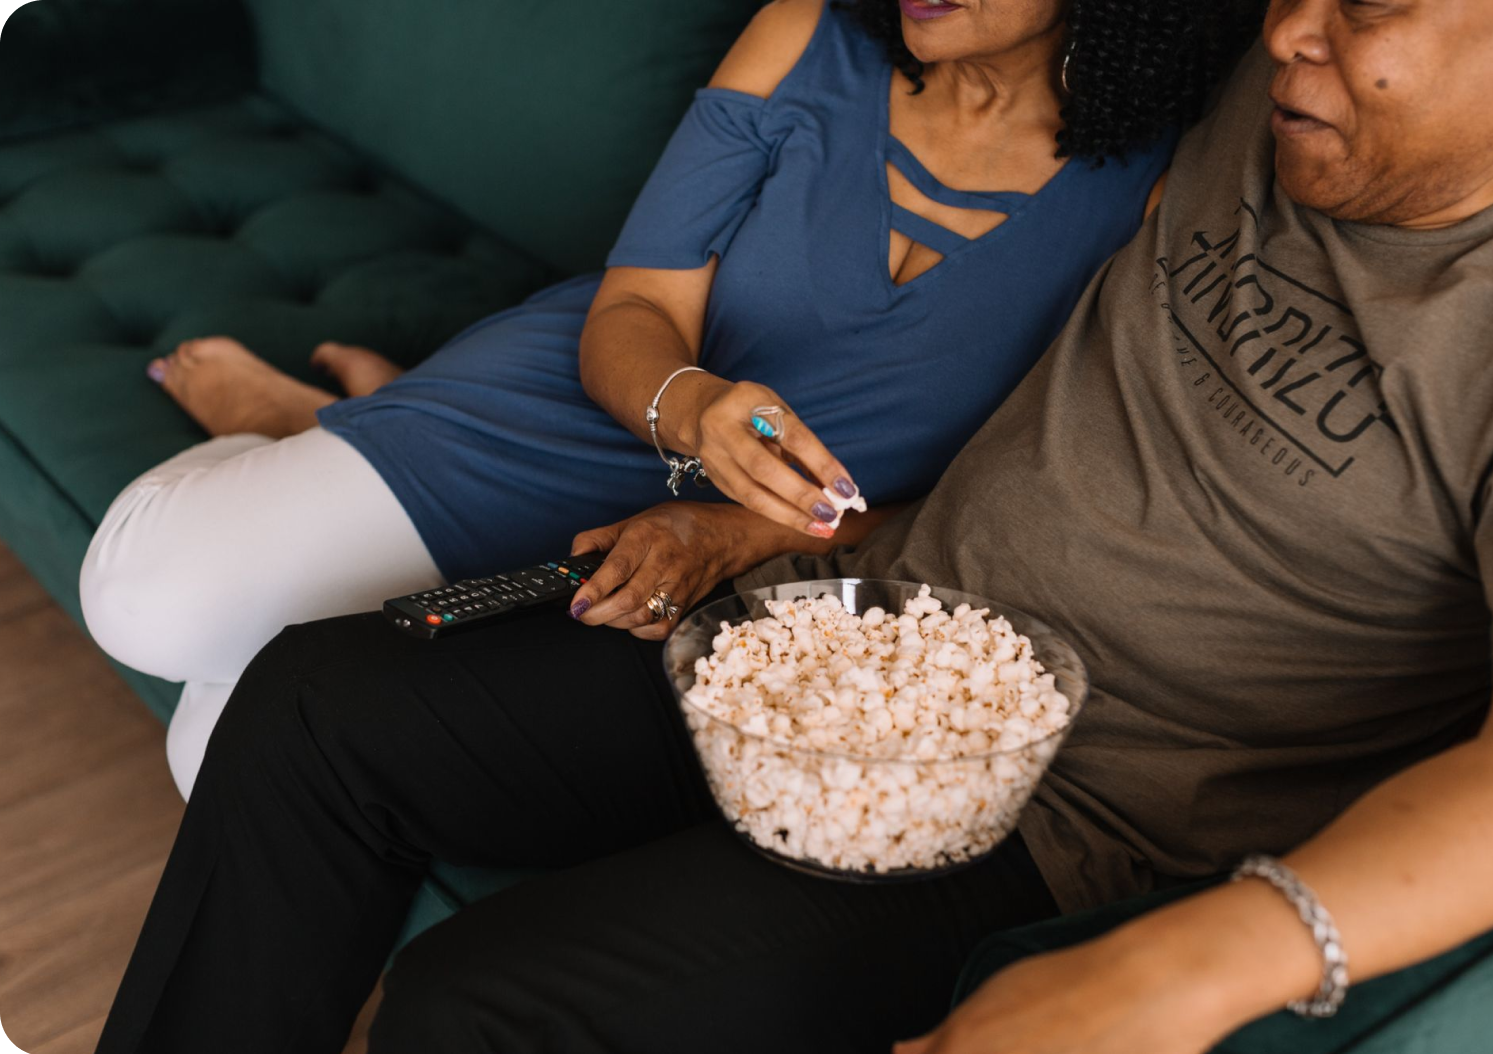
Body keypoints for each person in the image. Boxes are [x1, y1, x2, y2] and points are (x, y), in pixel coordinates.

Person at [93, 1, 1493, 1054]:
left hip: (1055, 813)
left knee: (475, 1006)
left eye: (1364, 2)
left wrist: (1186, 971)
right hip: (851, 619)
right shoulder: (1261, 88)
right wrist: (753, 539)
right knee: (309, 704)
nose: (1292, 26)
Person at [76, 0, 1249, 800]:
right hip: (577, 404)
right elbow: (637, 302)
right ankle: (285, 431)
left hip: (749, 548)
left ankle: (335, 438)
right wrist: (689, 412)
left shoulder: (1162, 186)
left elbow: (1020, 483)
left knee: (231, 748)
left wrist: (741, 529)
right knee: (147, 607)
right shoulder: (810, 34)